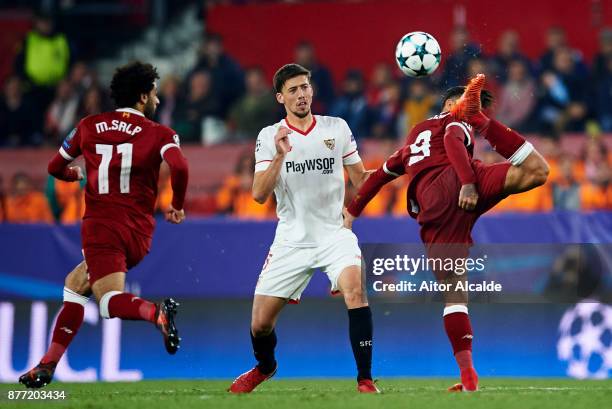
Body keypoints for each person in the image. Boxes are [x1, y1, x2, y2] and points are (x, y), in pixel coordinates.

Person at [344, 74, 549, 392]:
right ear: (452, 104)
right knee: (538, 170)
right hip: (463, 179)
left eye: (475, 109)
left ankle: (468, 375)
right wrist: (467, 180)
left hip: (435, 200)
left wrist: (351, 213)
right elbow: (453, 137)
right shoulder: (454, 121)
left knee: (454, 291)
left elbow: (381, 174)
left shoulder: (414, 139)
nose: (465, 114)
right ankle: (468, 376)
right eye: (470, 107)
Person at [19, 61, 189, 388]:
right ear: (142, 96)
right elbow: (179, 167)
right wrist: (177, 205)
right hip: (139, 234)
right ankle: (47, 364)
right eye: (153, 94)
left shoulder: (88, 126)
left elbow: (55, 166)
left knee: (109, 303)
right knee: (75, 284)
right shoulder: (160, 133)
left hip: (102, 227)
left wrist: (73, 174)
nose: (156, 100)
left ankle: (156, 313)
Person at [228, 63, 379, 394]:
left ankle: (365, 379)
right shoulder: (270, 136)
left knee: (355, 288)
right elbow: (258, 194)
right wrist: (281, 156)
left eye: (305, 87)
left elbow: (360, 179)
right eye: (293, 90)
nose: (301, 94)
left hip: (333, 234)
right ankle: (265, 367)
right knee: (260, 324)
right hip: (291, 239)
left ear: (313, 90)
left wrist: (390, 171)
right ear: (281, 97)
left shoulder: (336, 128)